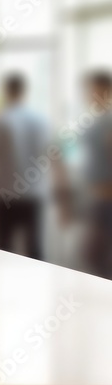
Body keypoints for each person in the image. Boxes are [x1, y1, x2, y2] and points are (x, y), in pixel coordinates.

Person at [0, 74, 49, 260]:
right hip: (34, 192)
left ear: (6, 92)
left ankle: (3, 285)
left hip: (4, 193)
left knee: (3, 246)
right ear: (24, 91)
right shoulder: (41, 120)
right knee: (34, 247)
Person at [81, 71, 112, 278]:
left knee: (94, 254)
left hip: (107, 197)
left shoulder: (108, 119)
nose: (88, 94)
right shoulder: (97, 118)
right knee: (95, 254)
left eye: (92, 89)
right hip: (98, 196)